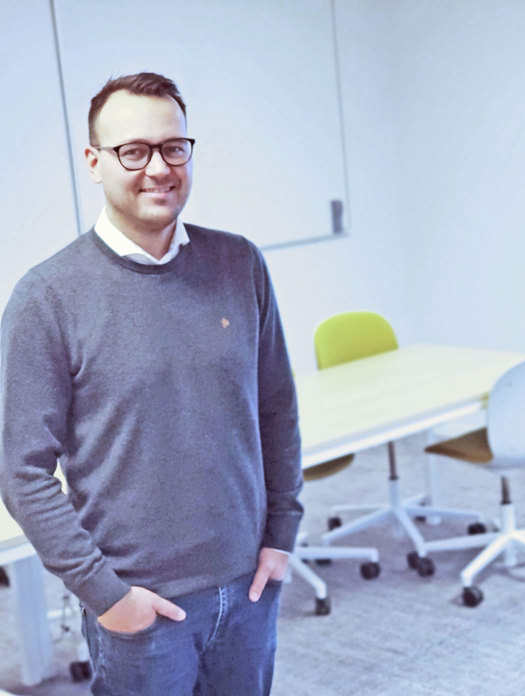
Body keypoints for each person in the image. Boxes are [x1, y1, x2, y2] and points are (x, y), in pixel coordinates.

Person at [0, 72, 303, 695]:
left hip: (249, 585)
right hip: (141, 609)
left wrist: (281, 535)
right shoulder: (47, 297)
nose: (158, 168)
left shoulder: (239, 263)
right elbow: (21, 469)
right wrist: (105, 595)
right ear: (94, 161)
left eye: (173, 147)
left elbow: (276, 407)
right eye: (132, 151)